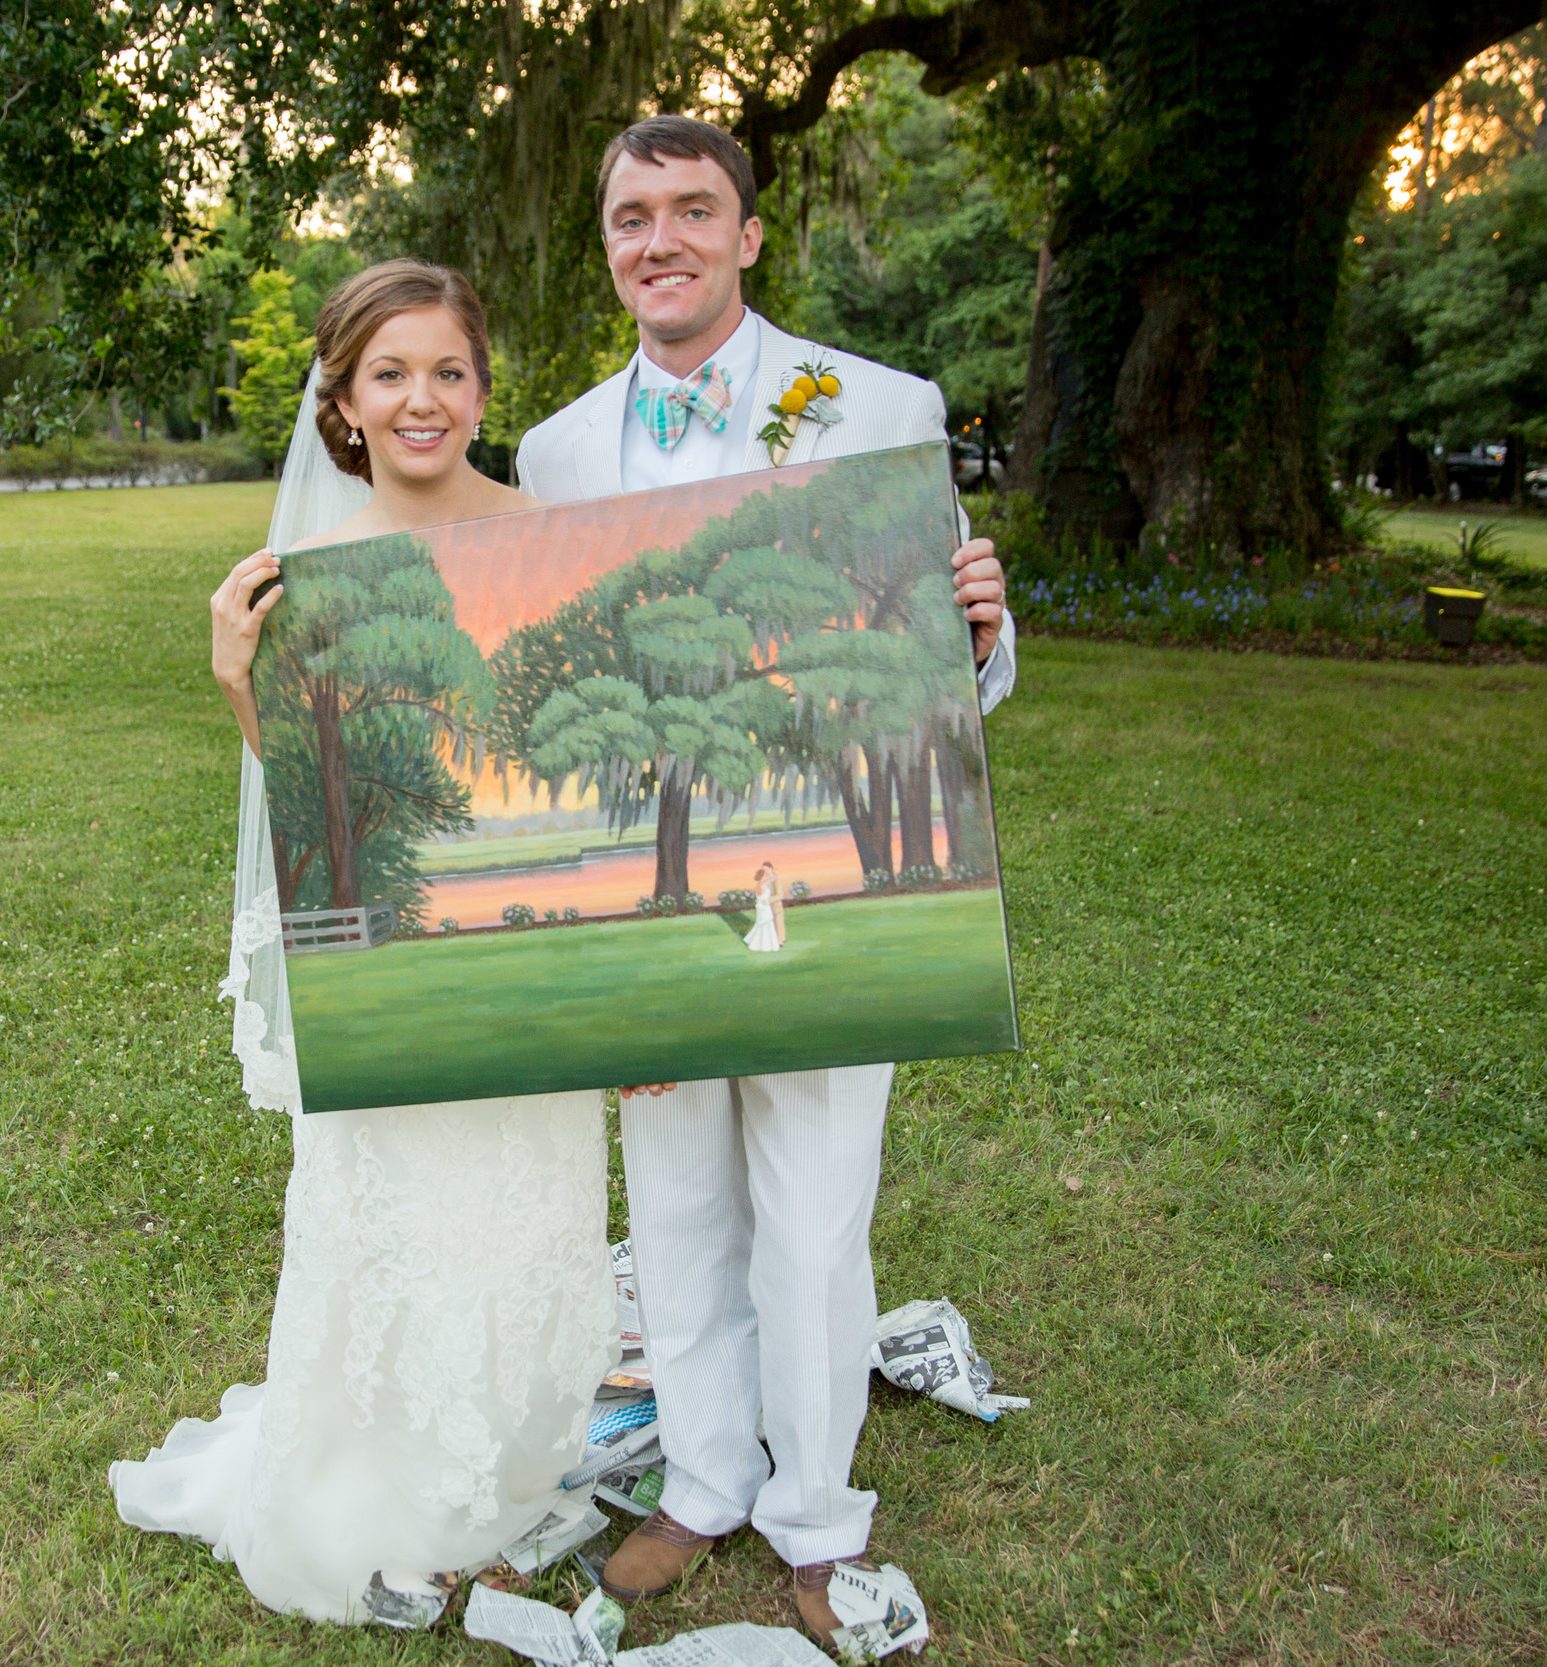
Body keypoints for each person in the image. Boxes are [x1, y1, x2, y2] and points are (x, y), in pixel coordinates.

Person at [516, 115, 1015, 1650]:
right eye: (629, 217)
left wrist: (981, 632)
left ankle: (815, 1513)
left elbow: (944, 680)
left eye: (691, 209)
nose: (656, 239)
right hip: (651, 875)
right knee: (672, 1193)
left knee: (812, 1206)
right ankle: (706, 1479)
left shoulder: (872, 406)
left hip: (831, 868)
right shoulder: (557, 449)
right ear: (606, 244)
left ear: (747, 234)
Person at [110, 261, 618, 1626]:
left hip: (533, 951)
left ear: (483, 388)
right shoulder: (302, 569)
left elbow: (588, 771)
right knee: (403, 1211)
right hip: (388, 961)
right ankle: (383, 1485)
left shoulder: (551, 532)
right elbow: (319, 802)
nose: (422, 398)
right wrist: (238, 679)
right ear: (339, 398)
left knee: (530, 1215)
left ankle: (509, 1470)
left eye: (449, 369)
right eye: (388, 372)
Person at [744, 862, 784, 953]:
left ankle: (770, 942)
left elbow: (779, 894)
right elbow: (771, 879)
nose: (765, 873)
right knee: (766, 925)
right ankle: (767, 944)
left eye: (766, 870)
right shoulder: (763, 883)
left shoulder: (760, 884)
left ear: (771, 869)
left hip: (764, 907)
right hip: (765, 907)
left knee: (765, 925)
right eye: (764, 871)